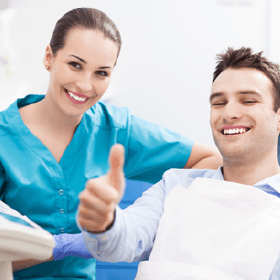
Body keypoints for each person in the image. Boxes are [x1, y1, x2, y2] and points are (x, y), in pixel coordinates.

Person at [0, 7, 222, 280]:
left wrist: (138, 221)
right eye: (75, 65)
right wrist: (58, 248)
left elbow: (209, 161)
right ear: (49, 57)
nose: (84, 84)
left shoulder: (115, 129)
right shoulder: (4, 139)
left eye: (101, 73)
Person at [78, 47, 280, 280]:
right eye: (218, 103)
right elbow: (126, 238)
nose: (229, 112)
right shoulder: (175, 186)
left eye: (248, 100)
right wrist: (105, 221)